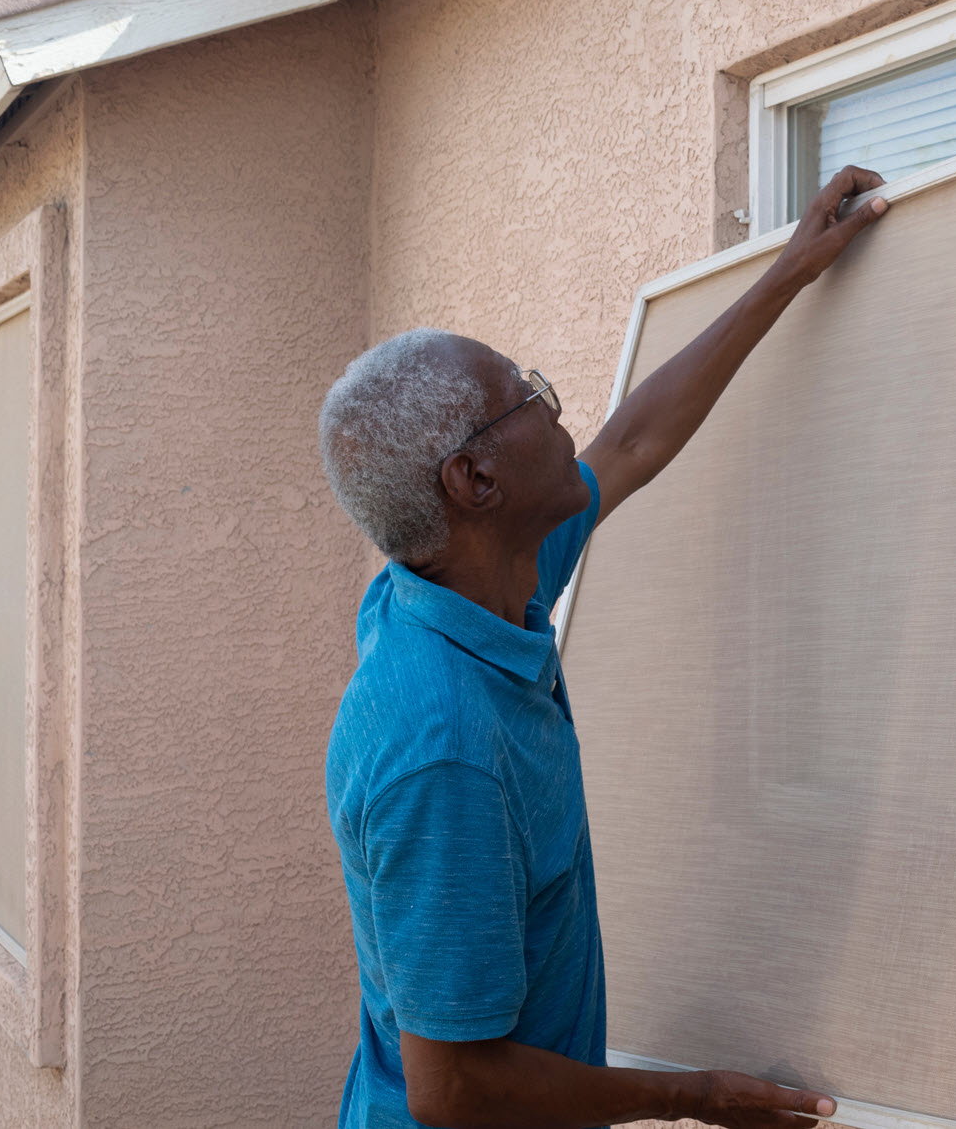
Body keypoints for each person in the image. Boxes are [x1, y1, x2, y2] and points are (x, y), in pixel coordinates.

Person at [317, 168, 889, 1129]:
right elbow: (455, 1088)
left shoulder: (476, 579)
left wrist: (788, 272)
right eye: (525, 396)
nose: (554, 406)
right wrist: (692, 1096)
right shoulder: (442, 748)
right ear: (475, 479)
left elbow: (629, 441)